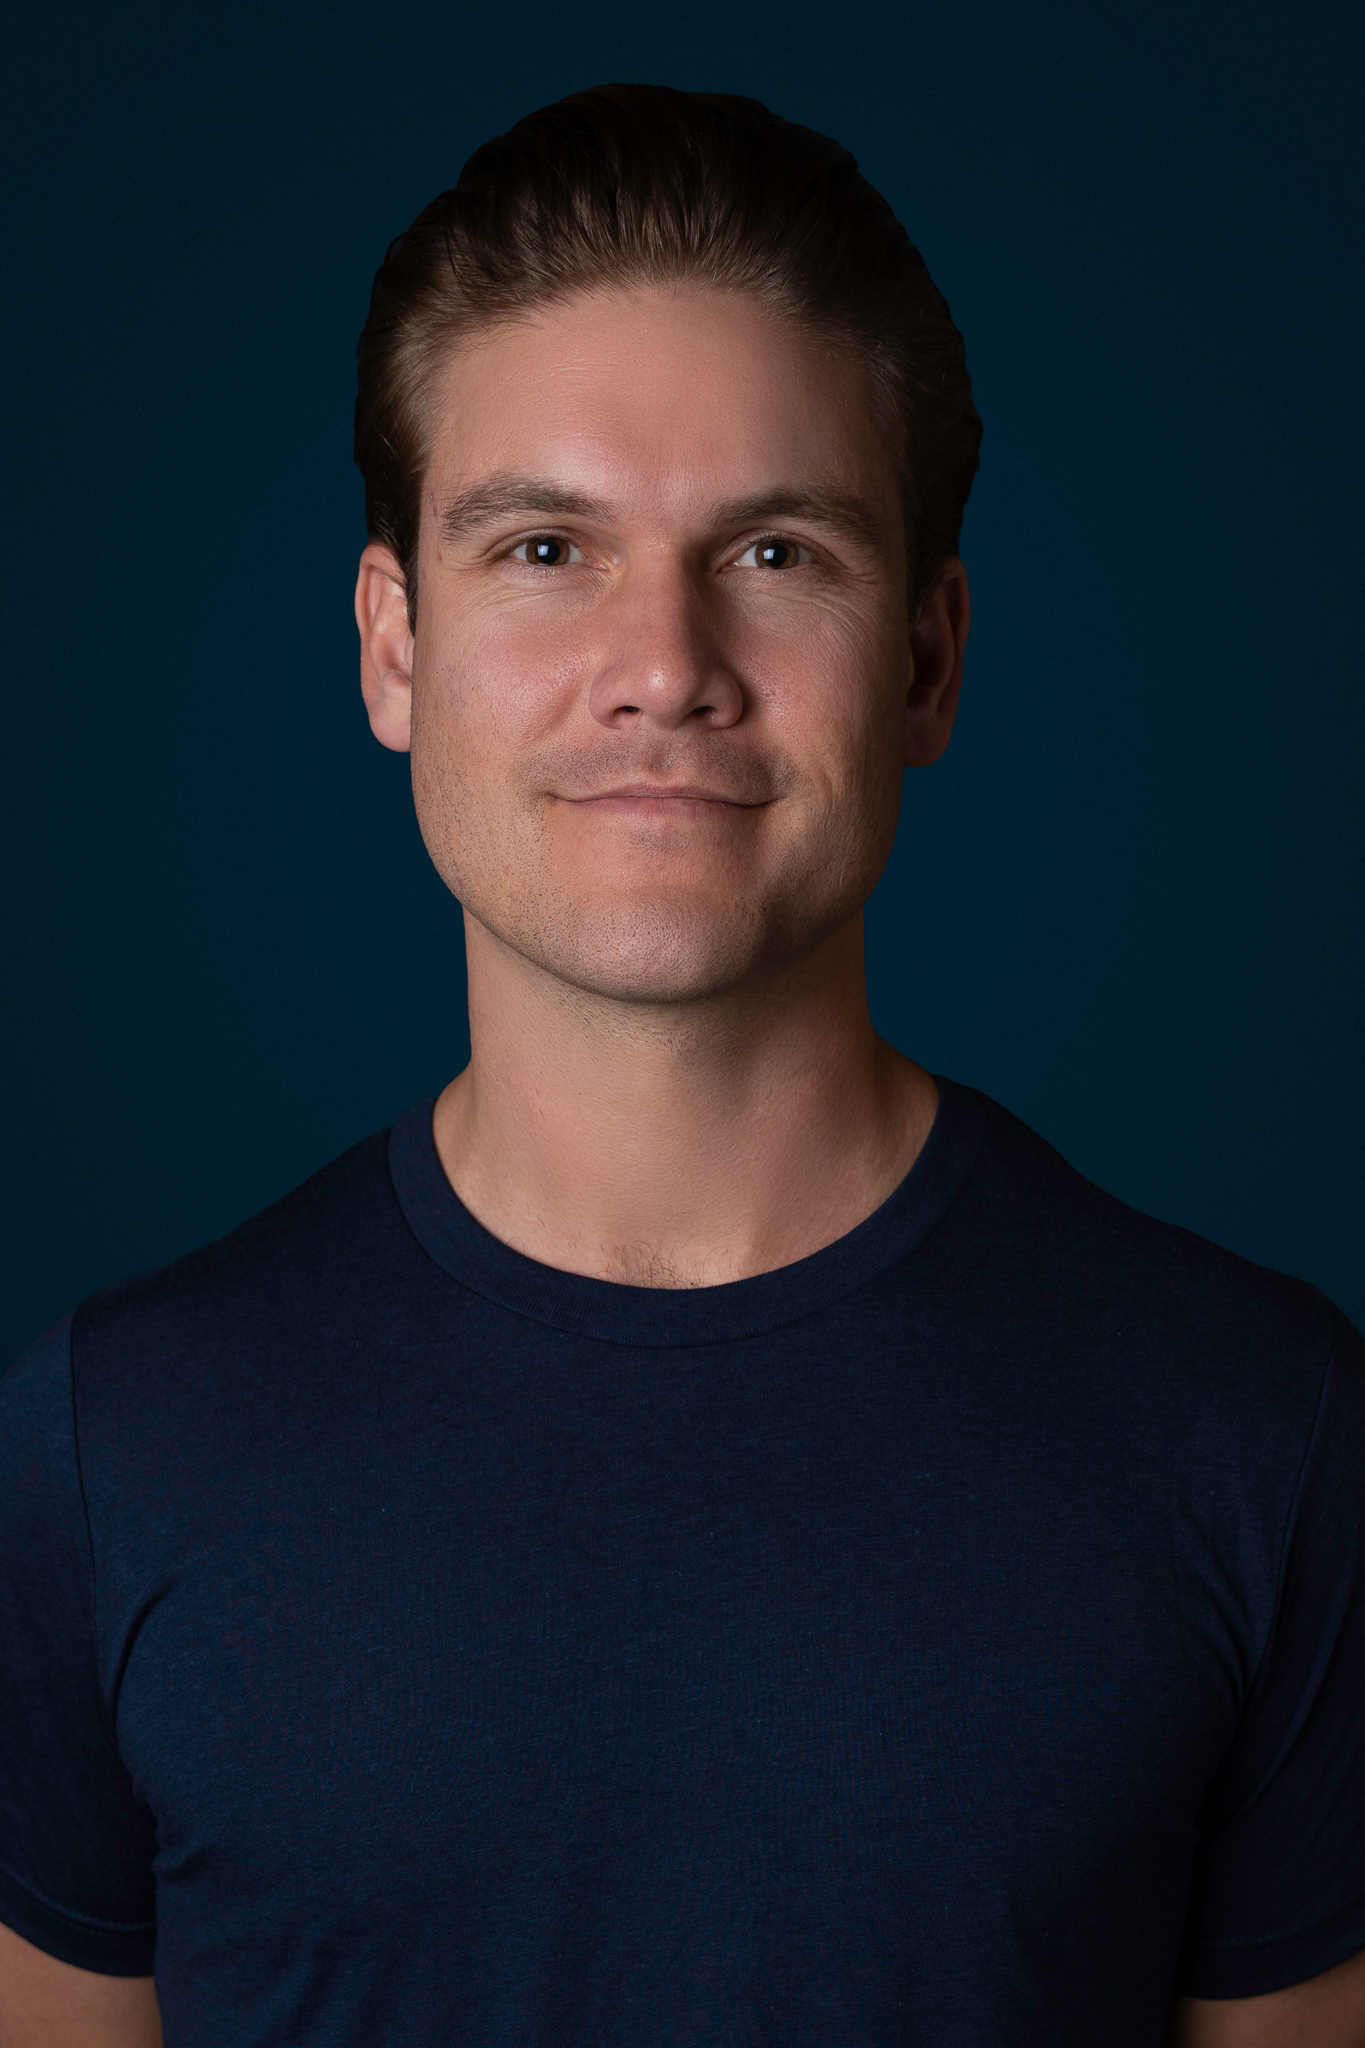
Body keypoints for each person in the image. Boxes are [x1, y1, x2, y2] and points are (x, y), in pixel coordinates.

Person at [1, 84, 1361, 2048]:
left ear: (925, 658)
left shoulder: (1268, 1436)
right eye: (545, 544)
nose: (663, 660)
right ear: (393, 649)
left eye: (778, 551)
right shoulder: (92, 1453)